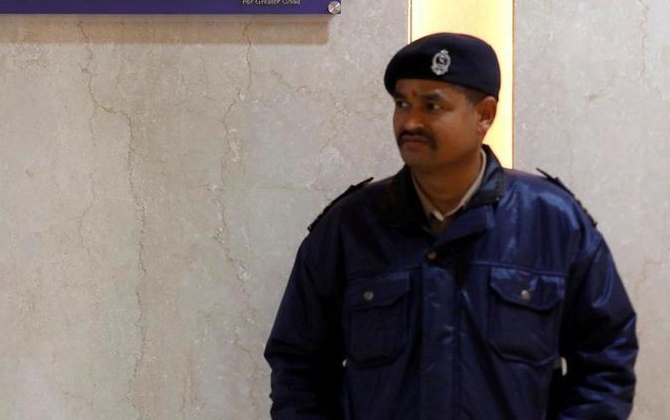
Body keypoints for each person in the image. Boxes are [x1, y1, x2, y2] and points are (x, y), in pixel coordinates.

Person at [264, 33, 637, 419]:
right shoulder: (351, 227)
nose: (410, 122)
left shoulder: (553, 221)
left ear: (484, 115)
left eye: (432, 105)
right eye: (402, 104)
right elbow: (299, 366)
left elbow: (606, 359)